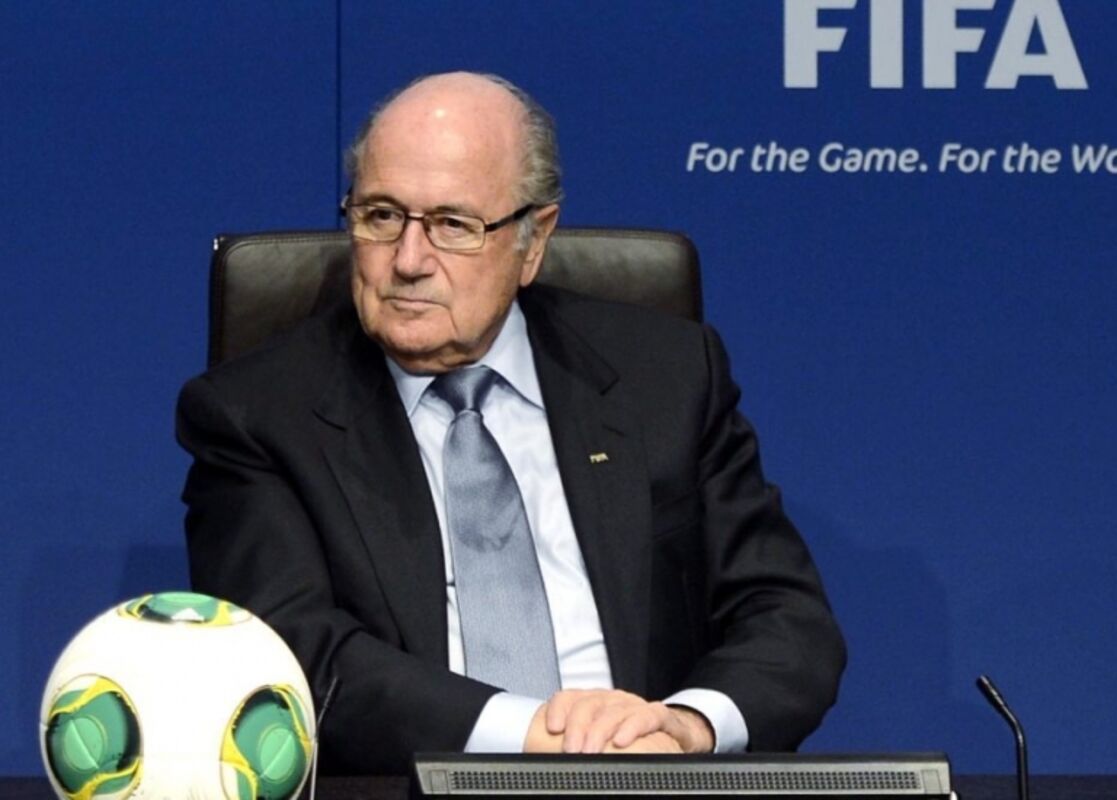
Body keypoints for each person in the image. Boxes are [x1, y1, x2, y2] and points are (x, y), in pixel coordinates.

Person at [178, 71, 845, 773]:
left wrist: (683, 726)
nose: (408, 260)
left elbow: (785, 616)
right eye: (380, 216)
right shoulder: (256, 415)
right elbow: (291, 651)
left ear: (534, 241)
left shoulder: (668, 377)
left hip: (650, 775)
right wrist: (538, 738)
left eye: (453, 225)